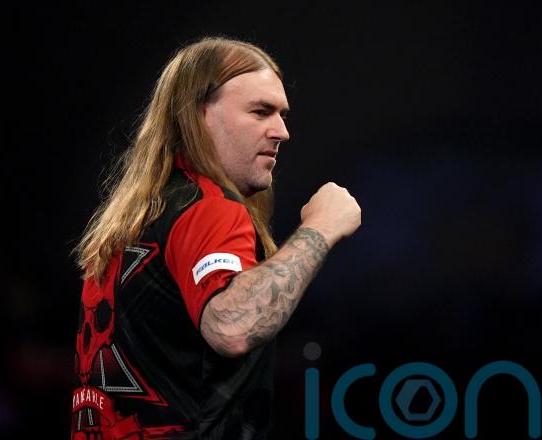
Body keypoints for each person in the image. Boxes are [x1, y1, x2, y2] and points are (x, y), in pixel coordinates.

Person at [70, 36, 361, 439]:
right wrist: (320, 228)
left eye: (281, 114)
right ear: (198, 115)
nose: (282, 131)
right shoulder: (208, 207)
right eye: (261, 111)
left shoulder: (138, 218)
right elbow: (232, 327)